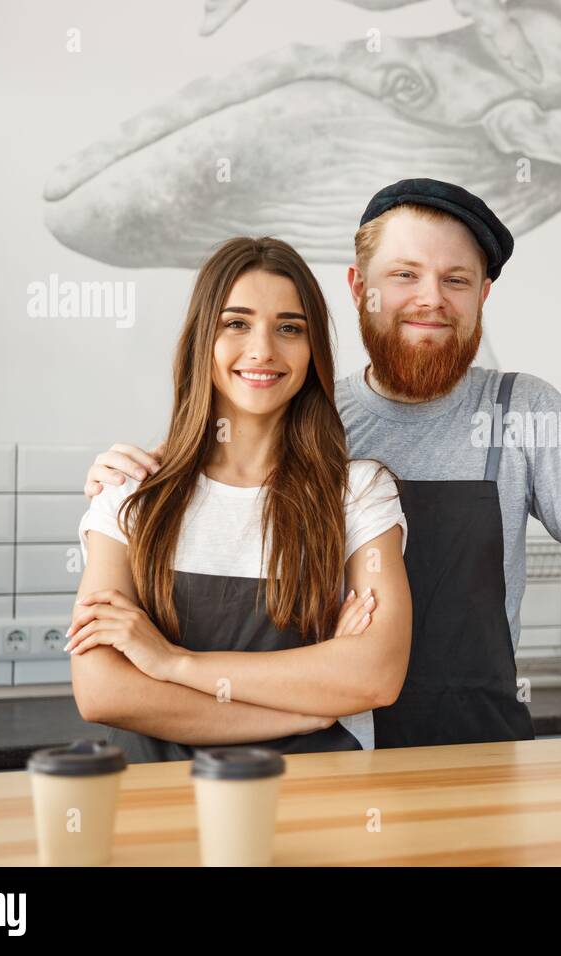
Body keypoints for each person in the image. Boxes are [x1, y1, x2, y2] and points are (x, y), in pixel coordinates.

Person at [82, 178, 561, 749]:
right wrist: (151, 476)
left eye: (456, 280)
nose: (431, 300)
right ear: (359, 287)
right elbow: (223, 469)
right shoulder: (304, 412)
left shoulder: (522, 411)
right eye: (405, 275)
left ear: (483, 296)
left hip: (474, 748)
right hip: (341, 744)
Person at [69, 237, 411, 762]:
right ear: (202, 339)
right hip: (156, 802)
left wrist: (172, 664)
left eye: (290, 328)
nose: (263, 350)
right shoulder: (130, 493)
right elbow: (102, 692)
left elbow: (374, 677)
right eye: (236, 323)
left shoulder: (358, 492)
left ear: (313, 348)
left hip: (316, 800)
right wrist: (306, 710)